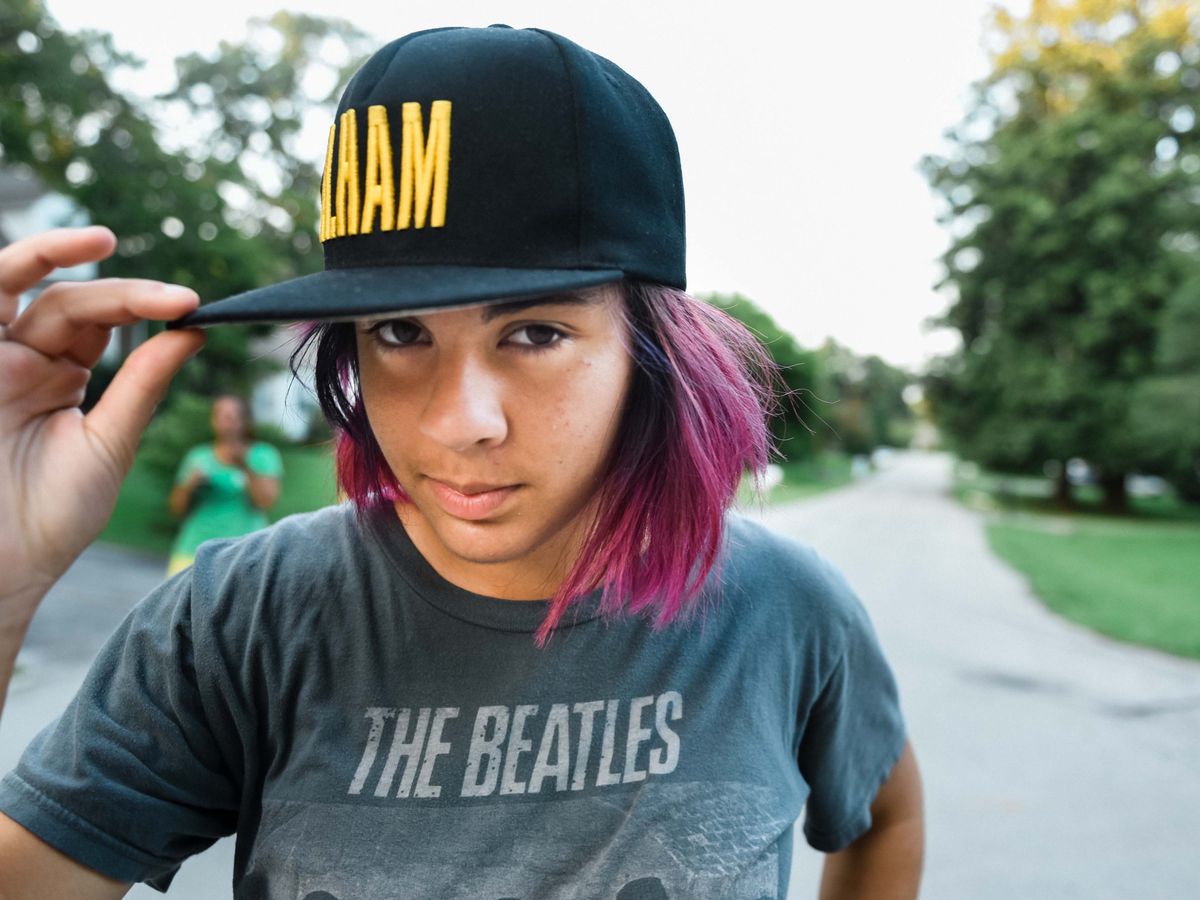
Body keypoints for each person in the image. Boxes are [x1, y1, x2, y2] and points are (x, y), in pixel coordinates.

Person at [0, 25, 924, 899]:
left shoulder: (783, 610)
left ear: (651, 352)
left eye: (536, 333)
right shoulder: (245, 621)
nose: (458, 422)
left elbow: (885, 816)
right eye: (400, 333)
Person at [166, 394, 283, 576]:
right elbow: (176, 509)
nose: (225, 423)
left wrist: (244, 464)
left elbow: (265, 501)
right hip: (194, 548)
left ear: (245, 421)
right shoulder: (198, 457)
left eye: (231, 417)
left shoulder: (262, 455)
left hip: (245, 552)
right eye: (219, 416)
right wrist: (190, 486)